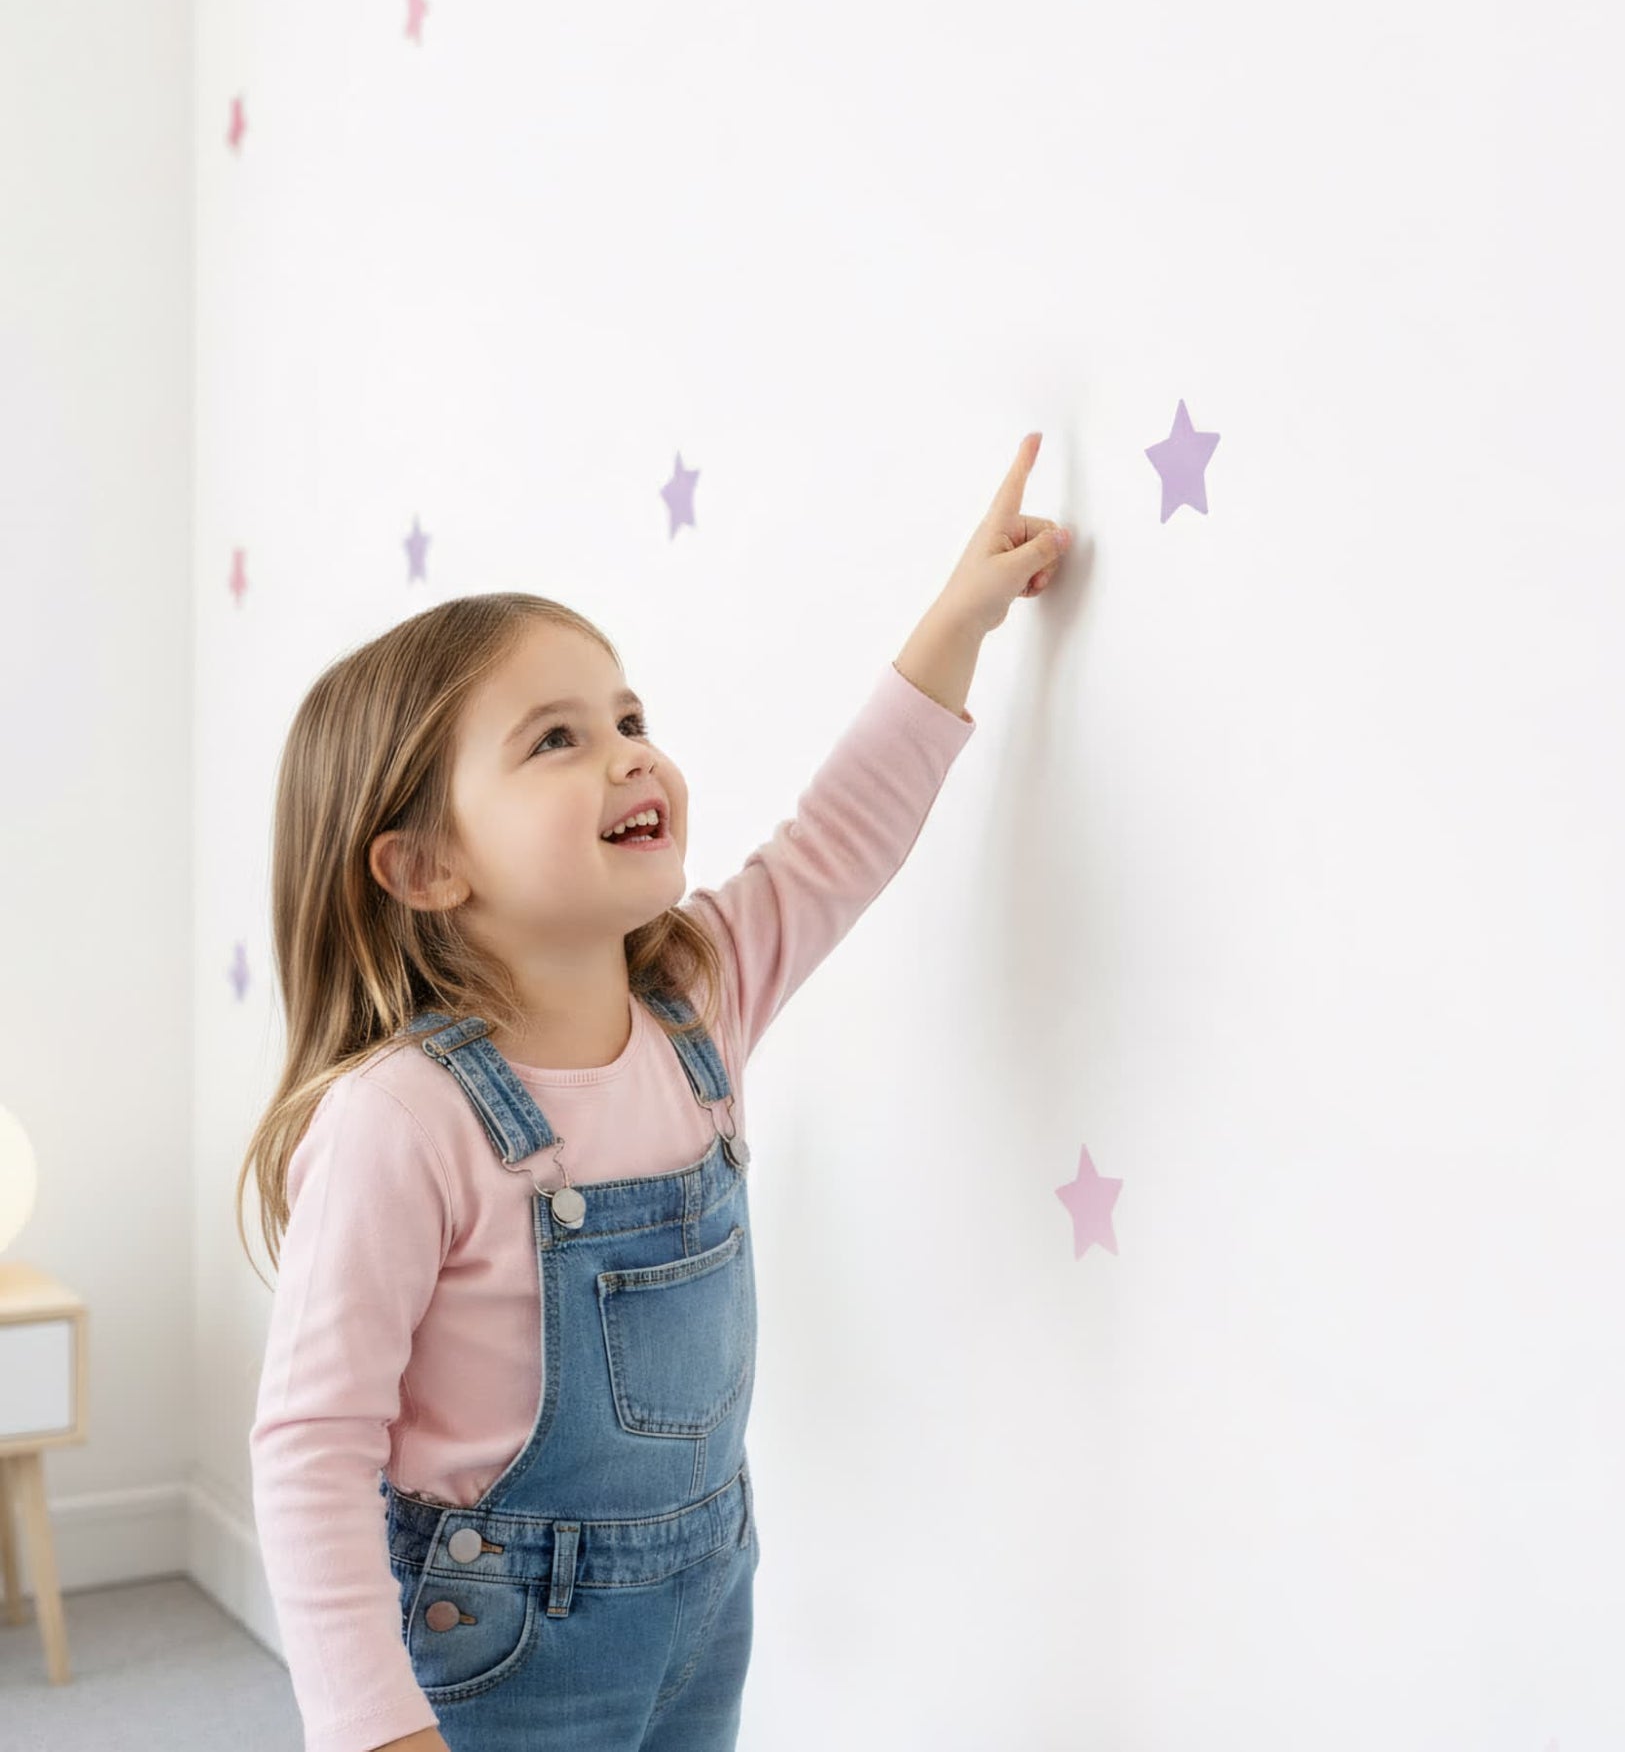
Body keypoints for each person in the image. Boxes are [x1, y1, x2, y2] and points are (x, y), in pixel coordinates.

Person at [241, 434, 1072, 1751]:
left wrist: (956, 620)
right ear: (423, 866)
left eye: (629, 717)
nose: (629, 753)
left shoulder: (700, 997)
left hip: (704, 1596)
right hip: (500, 1650)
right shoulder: (401, 1122)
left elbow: (841, 833)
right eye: (557, 739)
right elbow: (308, 1447)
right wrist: (374, 1727)